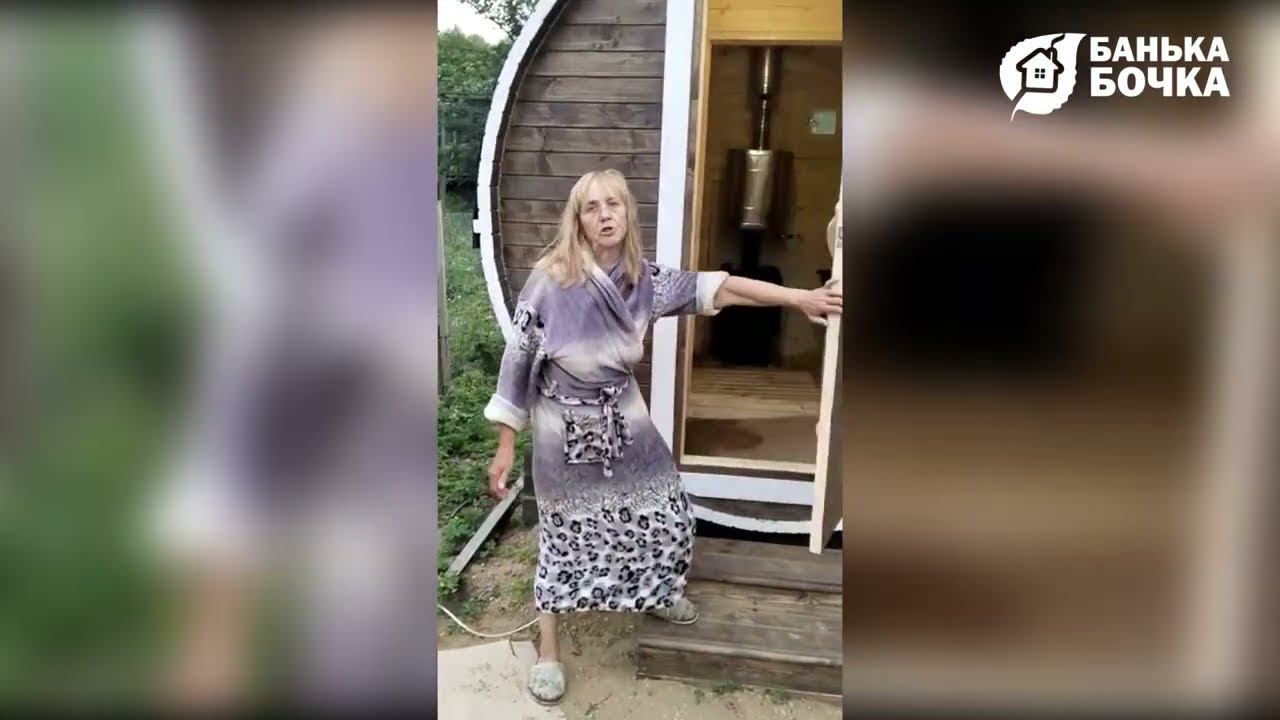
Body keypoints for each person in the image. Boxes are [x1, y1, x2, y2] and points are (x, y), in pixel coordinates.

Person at [483, 169, 843, 706]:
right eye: (591, 207)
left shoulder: (644, 280)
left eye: (613, 204)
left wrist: (800, 298)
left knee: (667, 514)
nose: (605, 215)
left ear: (628, 213)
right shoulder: (550, 283)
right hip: (564, 427)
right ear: (577, 221)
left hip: (624, 418)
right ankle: (549, 651)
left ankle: (656, 592)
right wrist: (506, 443)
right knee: (564, 538)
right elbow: (518, 363)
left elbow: (720, 286)